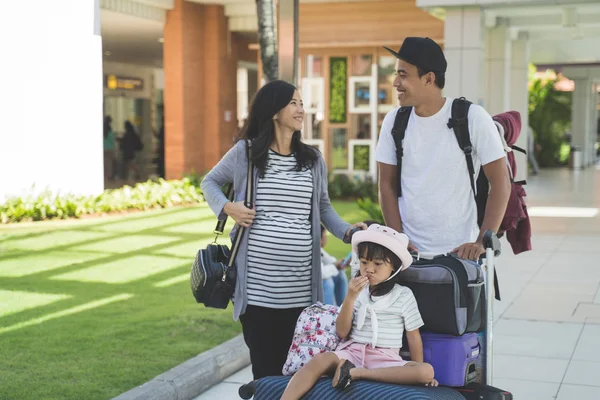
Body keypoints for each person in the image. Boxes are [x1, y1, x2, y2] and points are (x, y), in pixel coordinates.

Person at [201, 80, 366, 380]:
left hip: (301, 293)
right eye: (293, 102)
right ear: (273, 110)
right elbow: (209, 182)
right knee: (266, 374)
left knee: (298, 376)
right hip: (258, 293)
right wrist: (228, 207)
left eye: (302, 103)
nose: (301, 109)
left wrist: (350, 234)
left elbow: (324, 209)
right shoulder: (246, 154)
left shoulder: (312, 159)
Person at [376, 37, 511, 260]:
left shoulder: (472, 118)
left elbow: (501, 183)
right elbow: (386, 185)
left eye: (403, 75)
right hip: (410, 256)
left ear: (429, 78)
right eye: (396, 74)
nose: (395, 83)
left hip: (461, 254)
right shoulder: (394, 122)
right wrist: (399, 238)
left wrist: (480, 242)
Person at [281, 224, 437, 400]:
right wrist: (350, 297)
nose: (369, 269)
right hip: (350, 353)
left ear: (393, 266)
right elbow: (341, 331)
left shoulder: (404, 295)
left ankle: (358, 374)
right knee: (319, 361)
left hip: (384, 358)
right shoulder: (358, 291)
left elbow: (413, 336)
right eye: (364, 262)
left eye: (378, 263)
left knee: (426, 371)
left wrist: (418, 369)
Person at [320, 225, 348, 306]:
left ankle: (343, 308)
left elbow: (331, 261)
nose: (326, 238)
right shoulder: (312, 250)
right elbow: (321, 273)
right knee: (327, 282)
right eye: (325, 234)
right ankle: (327, 312)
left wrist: (341, 264)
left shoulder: (319, 250)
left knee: (339, 274)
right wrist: (335, 266)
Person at [103, 116, 116, 180]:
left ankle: (104, 176)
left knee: (104, 163)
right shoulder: (110, 130)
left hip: (103, 148)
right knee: (109, 163)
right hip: (110, 148)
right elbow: (112, 139)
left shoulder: (102, 129)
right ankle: (109, 176)